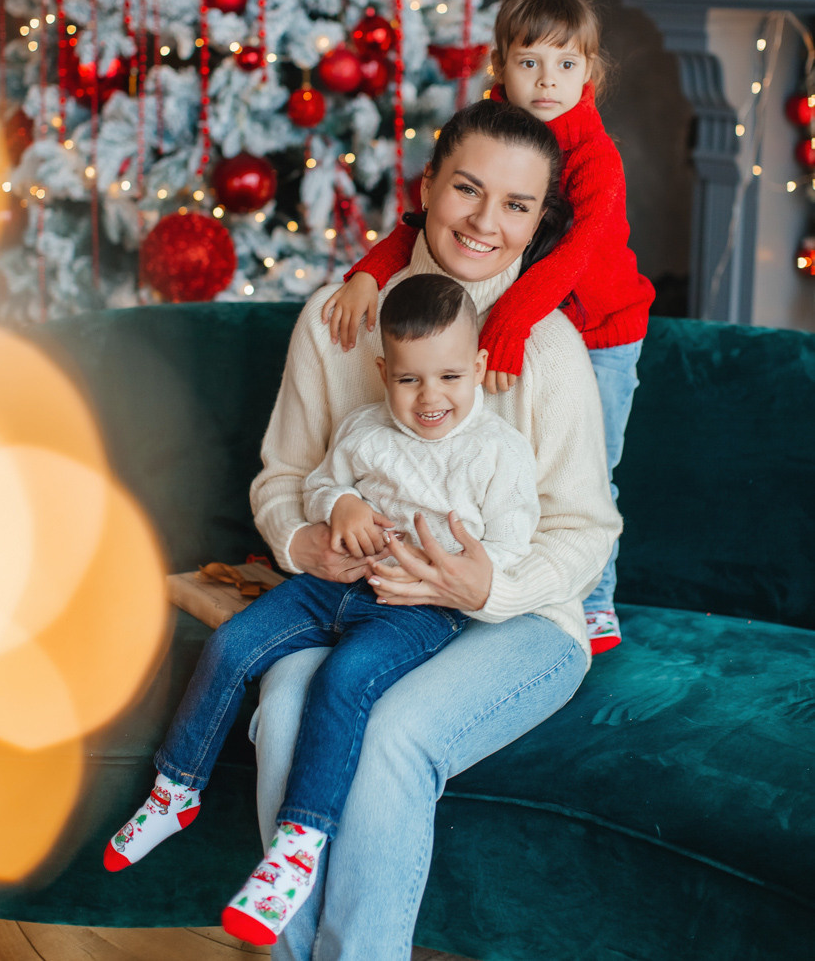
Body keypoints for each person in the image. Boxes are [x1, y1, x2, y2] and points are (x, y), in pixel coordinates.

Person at [248, 98, 621, 961]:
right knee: (287, 705)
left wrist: (489, 583)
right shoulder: (337, 322)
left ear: (539, 218)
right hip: (362, 604)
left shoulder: (549, 348)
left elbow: (583, 526)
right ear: (427, 187)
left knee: (393, 731)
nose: (487, 222)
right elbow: (285, 478)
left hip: (520, 619)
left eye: (517, 205)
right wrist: (305, 542)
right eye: (468, 189)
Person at [103, 271, 543, 947]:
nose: (431, 398)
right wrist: (342, 505)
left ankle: (297, 847)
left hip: (416, 606)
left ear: (479, 368)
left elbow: (513, 544)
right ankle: (176, 789)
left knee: (343, 680)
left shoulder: (497, 451)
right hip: (334, 585)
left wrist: (452, 570)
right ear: (383, 371)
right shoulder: (366, 429)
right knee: (232, 645)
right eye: (409, 380)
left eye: (451, 377)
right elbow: (320, 483)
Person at [323, 0, 654, 654]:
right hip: (526, 316)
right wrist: (367, 274)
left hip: (598, 329)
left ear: (590, 73)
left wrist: (509, 322)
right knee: (494, 451)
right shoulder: (489, 133)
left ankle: (593, 601)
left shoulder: (596, 159)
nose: (547, 81)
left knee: (594, 468)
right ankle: (486, 569)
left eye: (566, 64)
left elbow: (570, 258)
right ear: (500, 65)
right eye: (530, 63)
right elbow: (429, 218)